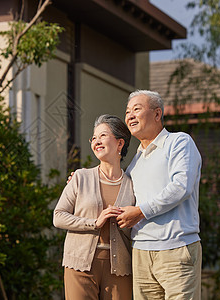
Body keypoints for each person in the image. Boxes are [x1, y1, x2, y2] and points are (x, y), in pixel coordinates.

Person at [116, 90, 202, 299]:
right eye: (128, 111)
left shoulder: (179, 142)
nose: (130, 116)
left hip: (176, 249)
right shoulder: (135, 161)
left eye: (137, 109)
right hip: (140, 253)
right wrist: (81, 180)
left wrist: (141, 212)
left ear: (157, 114)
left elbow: (181, 187)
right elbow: (116, 190)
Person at [54, 114, 135, 300]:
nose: (96, 141)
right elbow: (58, 216)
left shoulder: (133, 184)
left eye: (103, 136)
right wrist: (94, 223)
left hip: (120, 268)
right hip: (79, 263)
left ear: (120, 144)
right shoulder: (80, 177)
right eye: (94, 137)